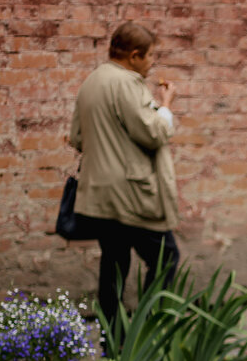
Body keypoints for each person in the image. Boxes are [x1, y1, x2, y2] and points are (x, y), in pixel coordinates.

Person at [69, 21, 180, 334]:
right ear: (134, 56)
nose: (151, 65)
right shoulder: (128, 83)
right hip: (132, 195)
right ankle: (149, 336)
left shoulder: (92, 81)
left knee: (114, 267)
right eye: (150, 58)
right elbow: (154, 133)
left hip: (101, 196)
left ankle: (112, 346)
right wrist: (166, 104)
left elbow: (77, 137)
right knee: (166, 257)